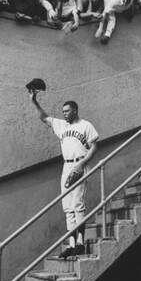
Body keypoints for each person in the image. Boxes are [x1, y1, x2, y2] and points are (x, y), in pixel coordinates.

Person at [30, 94, 98, 257]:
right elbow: (44, 117)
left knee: (77, 204)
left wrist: (81, 165)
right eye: (63, 111)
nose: (64, 114)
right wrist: (34, 101)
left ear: (75, 110)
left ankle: (81, 243)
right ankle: (72, 245)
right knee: (67, 207)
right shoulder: (62, 126)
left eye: (67, 111)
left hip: (80, 164)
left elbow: (94, 147)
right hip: (66, 166)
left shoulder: (86, 125)